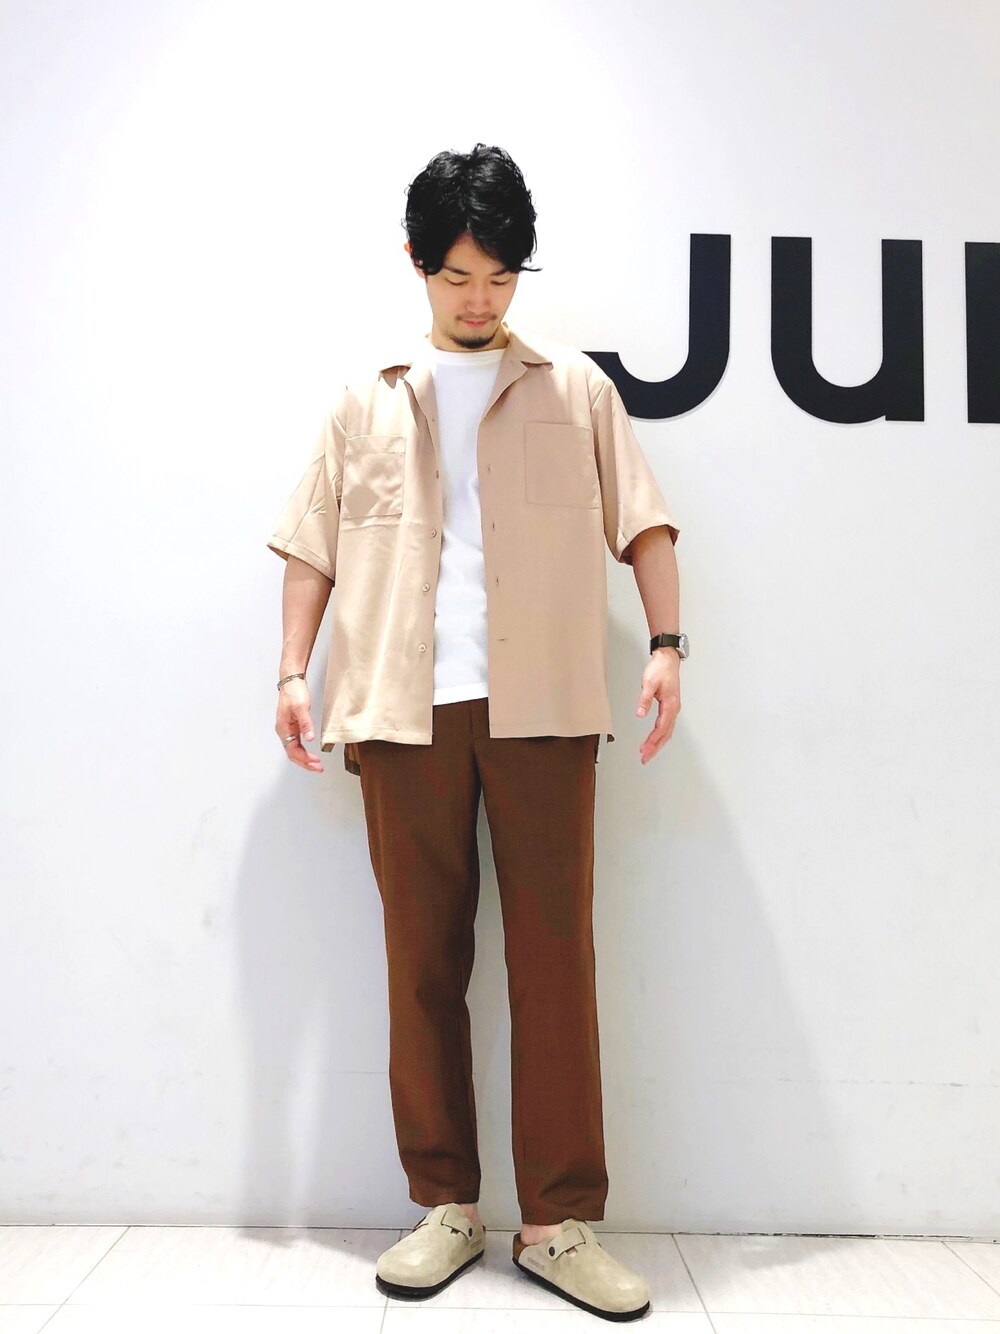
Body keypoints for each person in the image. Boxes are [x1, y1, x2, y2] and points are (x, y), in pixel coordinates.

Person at [266, 143, 686, 1322]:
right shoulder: (364, 400)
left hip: (543, 708)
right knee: (421, 964)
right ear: (417, 262)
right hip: (401, 713)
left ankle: (556, 1222)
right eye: (457, 275)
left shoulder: (575, 391)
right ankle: (445, 1203)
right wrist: (292, 669)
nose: (478, 298)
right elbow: (310, 545)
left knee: (556, 961)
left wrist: (666, 643)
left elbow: (645, 523)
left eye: (499, 277)